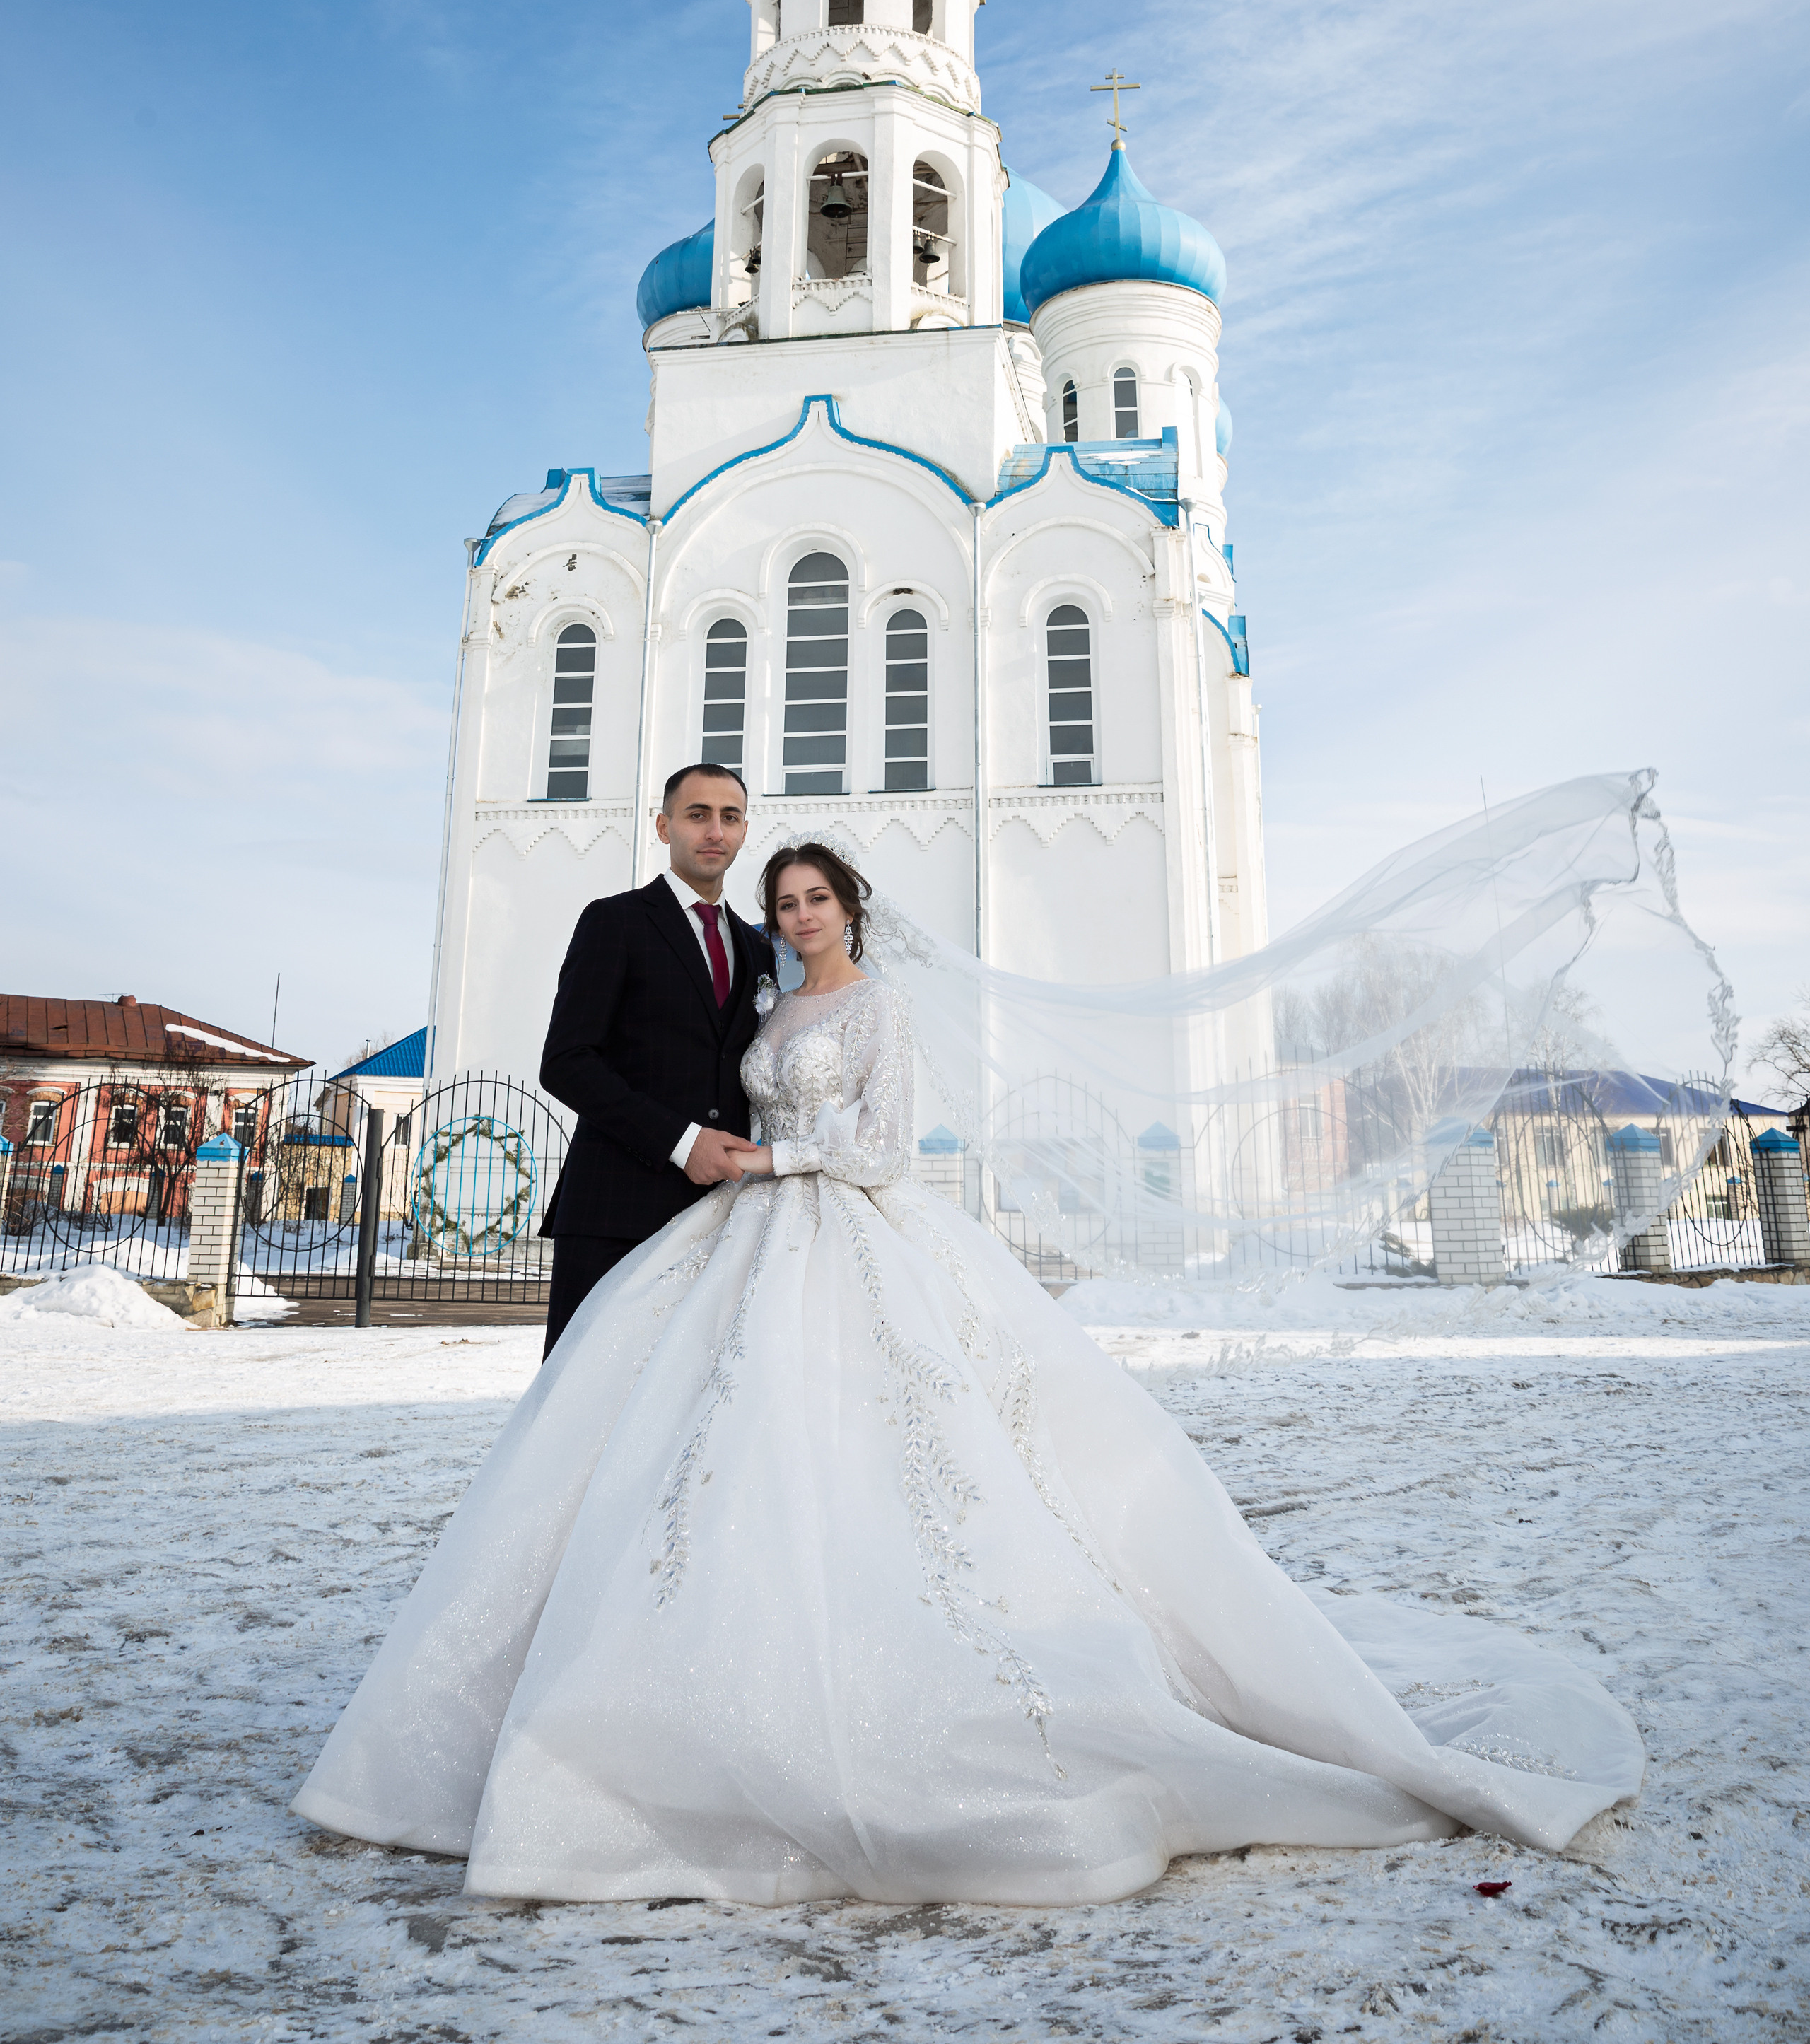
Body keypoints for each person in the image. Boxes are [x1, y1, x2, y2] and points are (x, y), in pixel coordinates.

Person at [293, 840, 1642, 1905]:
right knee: (687, 1447)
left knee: (915, 1457)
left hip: (841, 1224)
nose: (800, 912)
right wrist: (740, 1155)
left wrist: (782, 1159)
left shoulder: (876, 1009)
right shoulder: (764, 1006)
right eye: (785, 897)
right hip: (740, 1237)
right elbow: (703, 1080)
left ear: (850, 911)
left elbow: (885, 1147)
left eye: (816, 896)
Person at [534, 761, 774, 1355]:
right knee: (583, 1404)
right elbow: (566, 1061)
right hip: (615, 1210)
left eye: (730, 816)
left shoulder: (756, 947)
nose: (714, 830)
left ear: (745, 831)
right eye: (697, 815)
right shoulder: (613, 921)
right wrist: (681, 1140)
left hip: (721, 1215)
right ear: (665, 828)